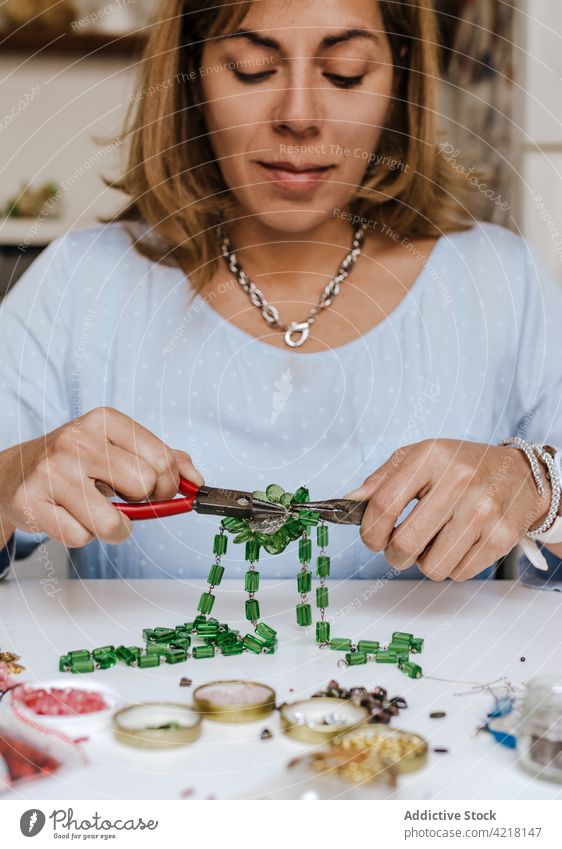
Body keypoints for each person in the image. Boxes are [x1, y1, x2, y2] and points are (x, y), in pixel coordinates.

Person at [1, 0, 561, 585]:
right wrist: (8, 479)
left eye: (345, 70)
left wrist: (537, 487)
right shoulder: (81, 280)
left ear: (399, 73)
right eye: (251, 68)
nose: (298, 115)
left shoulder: (500, 279)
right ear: (191, 75)